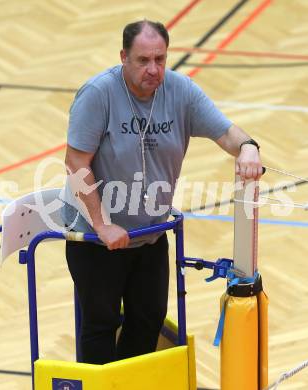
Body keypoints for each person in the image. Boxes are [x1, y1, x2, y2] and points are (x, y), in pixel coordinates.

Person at [61, 20, 262, 365]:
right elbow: (76, 162)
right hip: (95, 240)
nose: (153, 69)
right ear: (123, 57)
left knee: (147, 321)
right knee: (100, 325)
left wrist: (248, 147)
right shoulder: (98, 94)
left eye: (160, 59)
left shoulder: (181, 91)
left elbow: (226, 133)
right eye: (143, 60)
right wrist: (103, 224)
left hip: (151, 234)